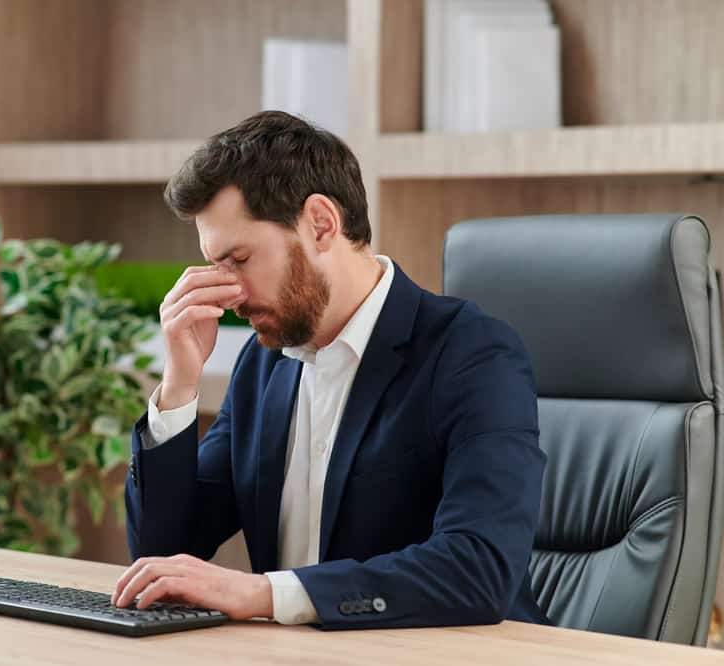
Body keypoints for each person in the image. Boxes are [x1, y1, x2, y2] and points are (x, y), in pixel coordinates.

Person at [111, 110, 550, 629]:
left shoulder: (471, 354)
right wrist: (178, 386)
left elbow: (479, 569)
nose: (228, 294)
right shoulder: (264, 364)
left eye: (240, 259)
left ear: (321, 224)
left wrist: (264, 594)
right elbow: (164, 556)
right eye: (216, 266)